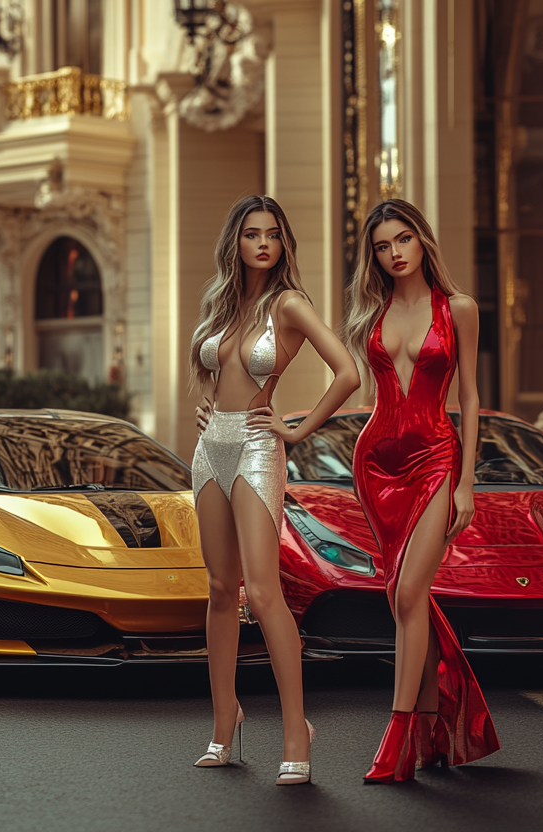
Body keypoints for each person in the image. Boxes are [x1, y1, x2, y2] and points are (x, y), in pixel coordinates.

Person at [190, 195, 360, 785]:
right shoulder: (220, 303)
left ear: (284, 244)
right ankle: (223, 722)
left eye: (273, 235)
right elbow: (212, 374)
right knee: (218, 589)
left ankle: (296, 731)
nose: (263, 244)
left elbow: (347, 371)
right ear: (235, 243)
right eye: (251, 234)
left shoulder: (288, 304)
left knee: (263, 593)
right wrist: (207, 406)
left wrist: (297, 428)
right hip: (210, 448)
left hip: (261, 449)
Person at [341, 199, 500, 782]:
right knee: (404, 601)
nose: (394, 253)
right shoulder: (370, 315)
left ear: (422, 240)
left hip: (435, 458)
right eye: (382, 246)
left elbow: (471, 397)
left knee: (411, 594)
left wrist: (467, 482)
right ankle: (434, 729)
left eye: (403, 239)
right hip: (376, 464)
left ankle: (400, 733)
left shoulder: (459, 308)